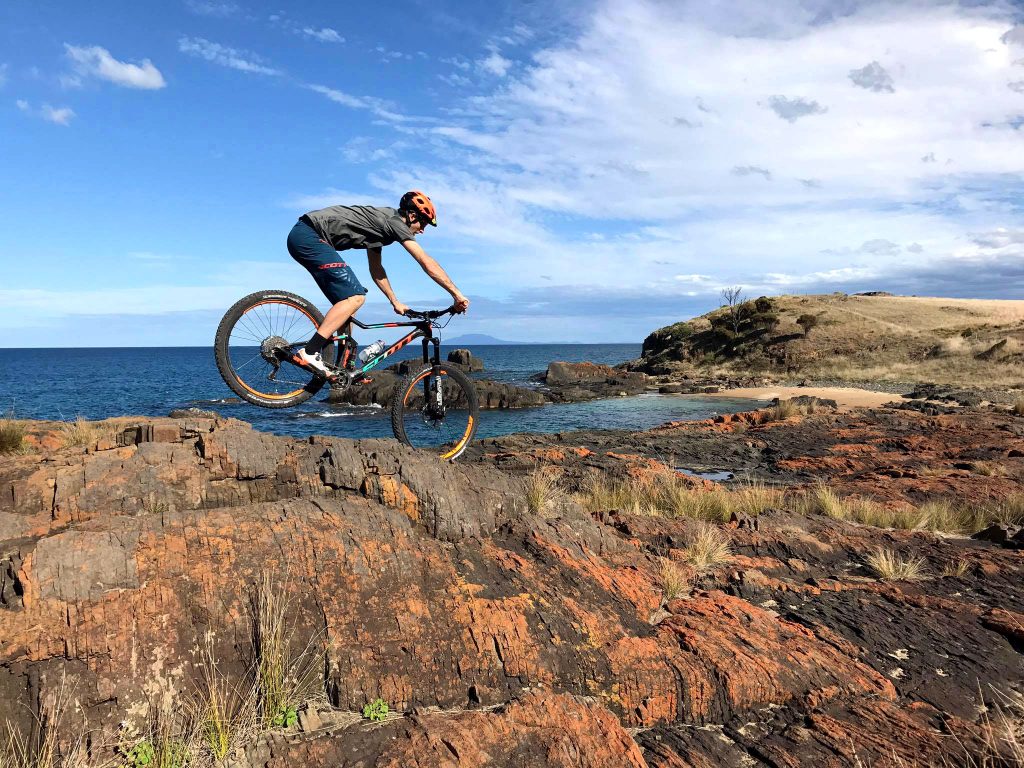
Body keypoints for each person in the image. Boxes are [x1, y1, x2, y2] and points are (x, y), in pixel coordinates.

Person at [286, 190, 470, 377]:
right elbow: (425, 261)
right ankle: (310, 352)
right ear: (412, 215)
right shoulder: (394, 222)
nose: (423, 230)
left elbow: (376, 269)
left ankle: (341, 367)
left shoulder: (381, 229)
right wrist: (456, 294)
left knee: (348, 305)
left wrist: (394, 301)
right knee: (355, 297)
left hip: (305, 235)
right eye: (423, 223)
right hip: (309, 235)